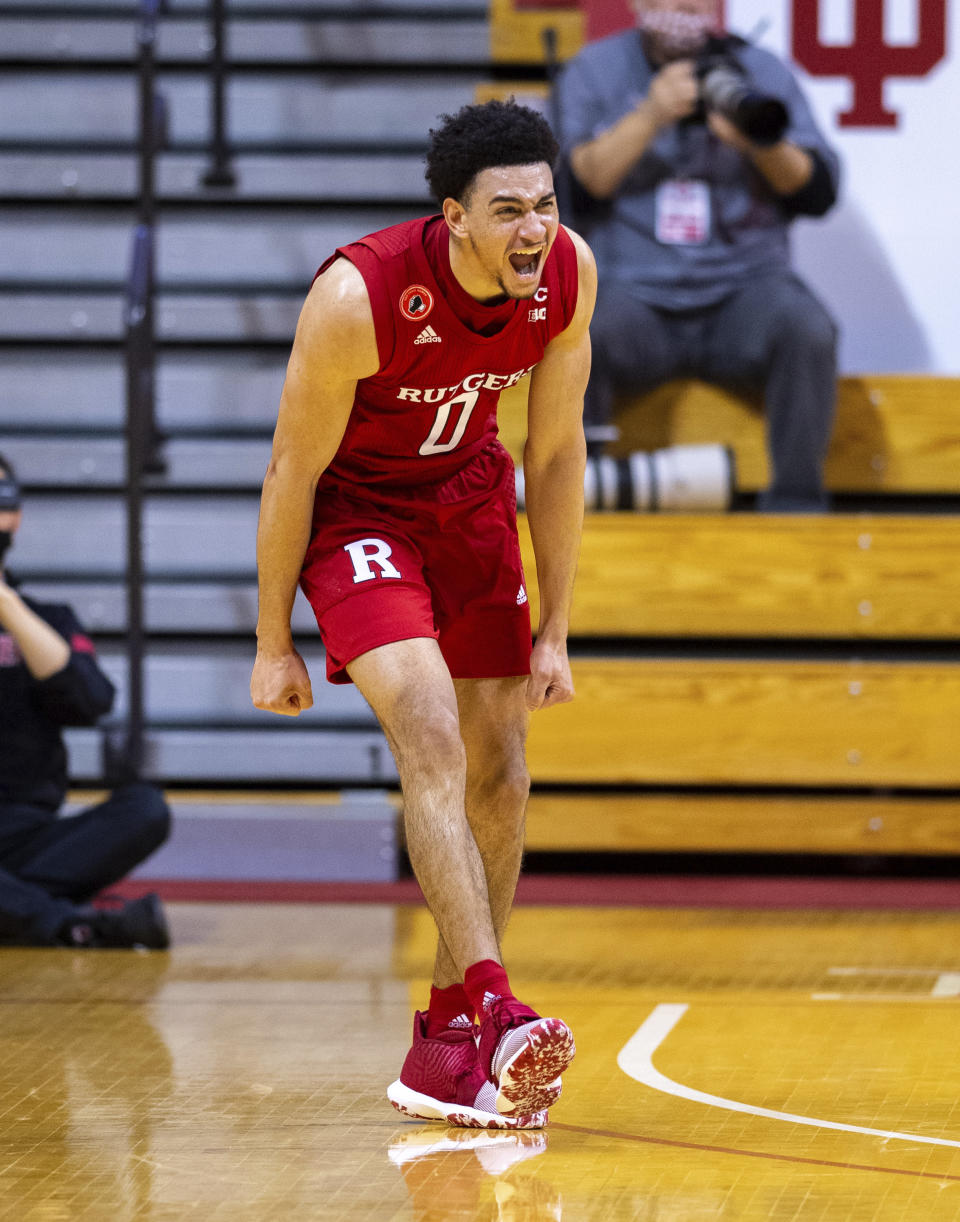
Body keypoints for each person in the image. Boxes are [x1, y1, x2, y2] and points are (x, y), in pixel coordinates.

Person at [250, 100, 596, 1128]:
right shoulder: (359, 296)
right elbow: (290, 469)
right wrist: (274, 639)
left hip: (471, 505)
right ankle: (495, 1006)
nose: (532, 228)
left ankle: (450, 1038)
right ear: (454, 217)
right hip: (360, 517)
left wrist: (557, 626)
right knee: (435, 736)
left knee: (504, 770)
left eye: (543, 204)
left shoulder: (569, 274)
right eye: (506, 211)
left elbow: (557, 451)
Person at [556, 0, 840, 511]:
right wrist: (651, 113)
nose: (687, 5)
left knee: (809, 329)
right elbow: (578, 187)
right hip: (634, 297)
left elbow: (817, 191)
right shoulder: (594, 69)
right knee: (577, 334)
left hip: (744, 294)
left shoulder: (760, 68)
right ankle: (578, 503)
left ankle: (798, 510)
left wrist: (760, 144)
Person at [0, 453, 171, 949]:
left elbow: (91, 699)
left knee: (145, 809)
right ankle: (71, 923)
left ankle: (16, 906)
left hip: (27, 837)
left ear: (16, 516)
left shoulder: (49, 617)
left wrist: (7, 604)